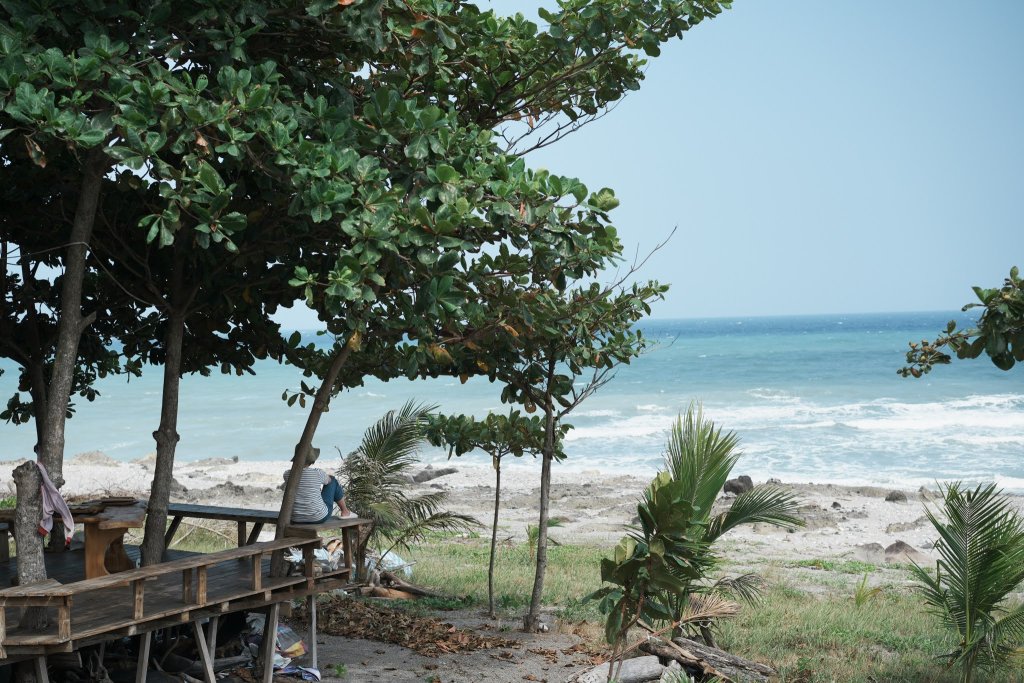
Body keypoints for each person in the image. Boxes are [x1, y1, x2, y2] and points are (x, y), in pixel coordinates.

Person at [285, 447, 357, 523]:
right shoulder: (317, 473)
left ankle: (345, 511)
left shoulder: (287, 474)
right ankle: (345, 511)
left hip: (296, 518)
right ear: (312, 460)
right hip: (318, 517)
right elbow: (329, 481)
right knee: (333, 480)